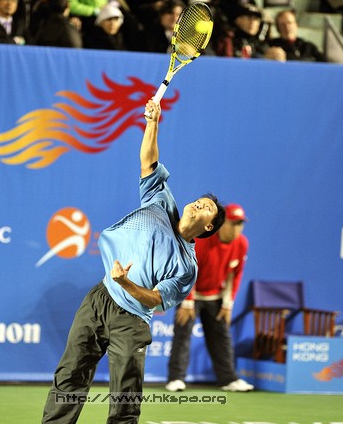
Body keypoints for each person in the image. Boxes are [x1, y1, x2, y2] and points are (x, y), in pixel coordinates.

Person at [41, 99, 226, 423]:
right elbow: (148, 162)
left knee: (125, 396)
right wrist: (152, 123)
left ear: (209, 227)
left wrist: (126, 283)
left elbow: (156, 299)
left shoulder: (186, 266)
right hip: (100, 298)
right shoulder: (160, 202)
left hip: (133, 318)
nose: (198, 204)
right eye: (199, 200)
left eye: (206, 208)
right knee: (70, 373)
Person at [166, 203, 253, 393]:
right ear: (222, 224)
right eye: (233, 223)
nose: (237, 229)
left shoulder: (242, 243)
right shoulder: (203, 241)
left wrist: (228, 304)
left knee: (222, 337)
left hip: (216, 296)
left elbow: (235, 275)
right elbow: (188, 271)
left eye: (240, 224)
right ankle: (176, 379)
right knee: (183, 335)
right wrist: (187, 302)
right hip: (191, 293)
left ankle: (228, 379)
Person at [216, 4, 286, 61]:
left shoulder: (262, 44)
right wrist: (263, 59)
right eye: (249, 18)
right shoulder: (228, 40)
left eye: (256, 19)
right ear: (238, 20)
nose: (253, 22)